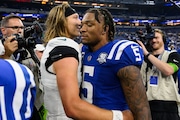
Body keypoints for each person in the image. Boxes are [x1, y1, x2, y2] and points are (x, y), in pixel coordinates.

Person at [40, 3, 133, 120]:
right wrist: (121, 117)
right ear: (62, 21)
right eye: (75, 18)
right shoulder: (65, 47)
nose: (79, 23)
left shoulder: (56, 45)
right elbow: (72, 107)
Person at [80, 7, 152, 120]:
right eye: (82, 25)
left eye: (89, 25)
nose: (82, 29)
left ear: (105, 29)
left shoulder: (119, 53)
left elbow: (141, 107)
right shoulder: (83, 51)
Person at [0, 14, 45, 120]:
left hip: (32, 104)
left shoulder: (28, 50)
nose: (19, 30)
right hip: (7, 104)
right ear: (3, 30)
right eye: (15, 27)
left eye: (21, 28)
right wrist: (6, 54)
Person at [137, 28, 180, 120]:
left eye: (156, 37)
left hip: (168, 106)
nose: (153, 40)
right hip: (148, 106)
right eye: (151, 38)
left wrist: (147, 54)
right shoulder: (144, 60)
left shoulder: (172, 55)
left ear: (163, 40)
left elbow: (168, 70)